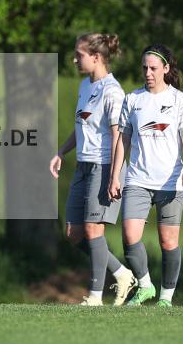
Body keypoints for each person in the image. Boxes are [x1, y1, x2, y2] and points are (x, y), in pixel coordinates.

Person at [50, 33, 137, 306]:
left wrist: (114, 176)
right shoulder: (84, 87)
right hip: (83, 167)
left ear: (97, 57)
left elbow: (117, 136)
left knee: (93, 230)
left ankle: (96, 296)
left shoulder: (113, 91)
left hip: (104, 166)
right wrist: (61, 151)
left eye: (80, 54)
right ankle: (122, 273)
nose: (75, 59)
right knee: (74, 233)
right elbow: (81, 127)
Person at [107, 44, 183, 307]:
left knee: (168, 241)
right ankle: (145, 286)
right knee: (129, 236)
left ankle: (166, 298)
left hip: (171, 182)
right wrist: (115, 176)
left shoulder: (179, 100)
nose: (148, 72)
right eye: (144, 67)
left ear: (166, 69)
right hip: (137, 180)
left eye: (153, 68)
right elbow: (123, 140)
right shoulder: (132, 100)